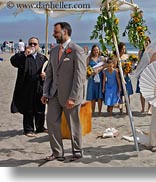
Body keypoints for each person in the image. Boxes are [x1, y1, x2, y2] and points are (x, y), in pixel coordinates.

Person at [41, 22, 87, 162]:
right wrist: (45, 92)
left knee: (73, 124)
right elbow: (49, 73)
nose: (54, 34)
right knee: (51, 122)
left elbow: (80, 76)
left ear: (65, 32)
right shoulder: (54, 51)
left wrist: (73, 97)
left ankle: (77, 152)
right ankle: (57, 153)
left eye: (56, 32)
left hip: (70, 96)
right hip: (53, 94)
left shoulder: (76, 50)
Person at [10, 37, 48, 137]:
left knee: (40, 107)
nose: (32, 46)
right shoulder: (23, 56)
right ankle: (28, 129)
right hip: (27, 87)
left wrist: (46, 75)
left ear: (38, 46)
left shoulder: (42, 58)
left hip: (39, 86)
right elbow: (13, 62)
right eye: (31, 44)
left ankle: (40, 127)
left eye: (35, 44)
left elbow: (49, 69)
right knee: (29, 108)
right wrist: (24, 54)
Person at [113, 42, 133, 114]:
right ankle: (121, 110)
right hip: (119, 77)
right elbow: (114, 67)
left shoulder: (126, 56)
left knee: (127, 94)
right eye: (122, 49)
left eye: (124, 49)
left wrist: (128, 69)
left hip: (126, 77)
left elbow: (130, 65)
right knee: (121, 94)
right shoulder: (116, 57)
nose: (123, 50)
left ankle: (128, 110)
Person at [86, 44, 105, 116]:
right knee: (92, 96)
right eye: (94, 50)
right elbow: (86, 67)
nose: (96, 51)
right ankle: (93, 111)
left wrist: (98, 69)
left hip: (100, 78)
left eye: (97, 50)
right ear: (92, 51)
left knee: (99, 96)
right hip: (92, 78)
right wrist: (91, 72)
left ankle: (99, 112)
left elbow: (104, 66)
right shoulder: (89, 58)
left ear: (99, 50)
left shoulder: (101, 58)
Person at [136, 37, 152, 114]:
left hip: (149, 73)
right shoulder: (140, 51)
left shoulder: (151, 52)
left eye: (147, 42)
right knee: (141, 92)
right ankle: (143, 108)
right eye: (144, 42)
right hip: (142, 72)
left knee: (149, 91)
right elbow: (139, 62)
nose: (146, 43)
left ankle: (149, 108)